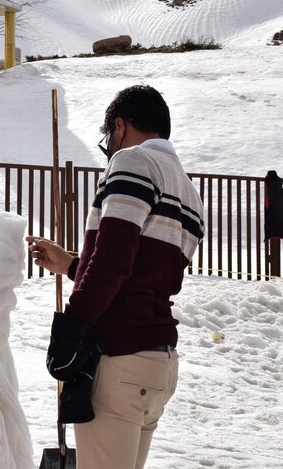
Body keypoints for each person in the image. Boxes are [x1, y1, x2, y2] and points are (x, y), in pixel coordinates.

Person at [28, 84, 205, 469]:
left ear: (120, 126)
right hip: (158, 364)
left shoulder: (133, 162)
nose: (108, 147)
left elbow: (112, 261)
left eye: (108, 136)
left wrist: (72, 326)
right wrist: (71, 265)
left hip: (118, 358)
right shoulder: (190, 192)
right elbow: (143, 277)